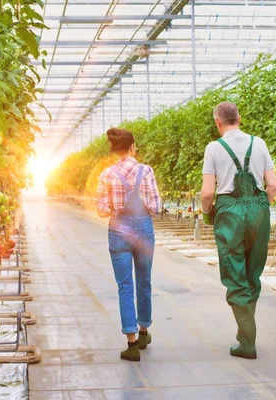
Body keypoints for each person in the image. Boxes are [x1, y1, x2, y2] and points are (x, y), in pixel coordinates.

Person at [200, 102, 276, 359]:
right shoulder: (260, 143)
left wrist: (206, 211)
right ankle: (247, 335)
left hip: (230, 210)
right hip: (259, 208)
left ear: (218, 122)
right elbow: (273, 184)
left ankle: (247, 342)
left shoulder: (214, 148)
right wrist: (263, 206)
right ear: (240, 119)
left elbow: (208, 191)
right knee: (253, 270)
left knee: (235, 272)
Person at [96, 127, 161, 362]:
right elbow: (155, 206)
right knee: (144, 282)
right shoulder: (147, 171)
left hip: (119, 233)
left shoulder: (107, 174)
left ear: (115, 150)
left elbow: (102, 210)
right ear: (133, 147)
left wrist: (116, 207)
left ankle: (131, 343)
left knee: (125, 287)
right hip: (144, 231)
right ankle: (144, 332)